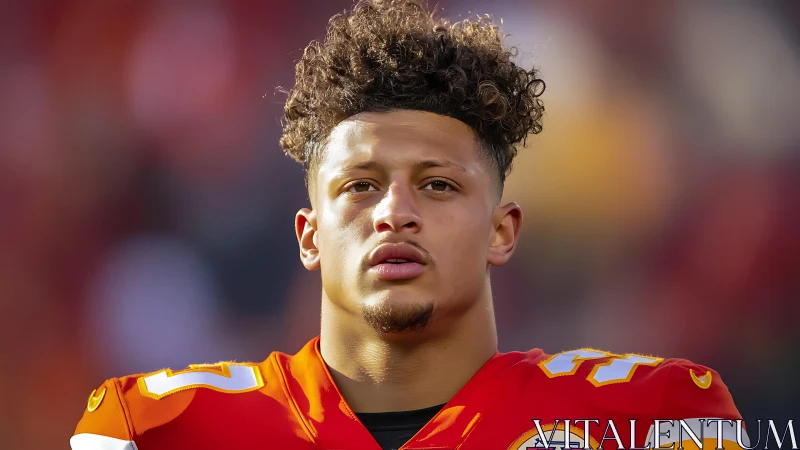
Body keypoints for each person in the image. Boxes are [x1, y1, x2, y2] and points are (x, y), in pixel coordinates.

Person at [71, 1, 746, 449]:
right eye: (360, 186)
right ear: (307, 235)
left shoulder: (653, 416)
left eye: (438, 184)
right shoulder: (149, 426)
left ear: (501, 231)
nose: (396, 212)